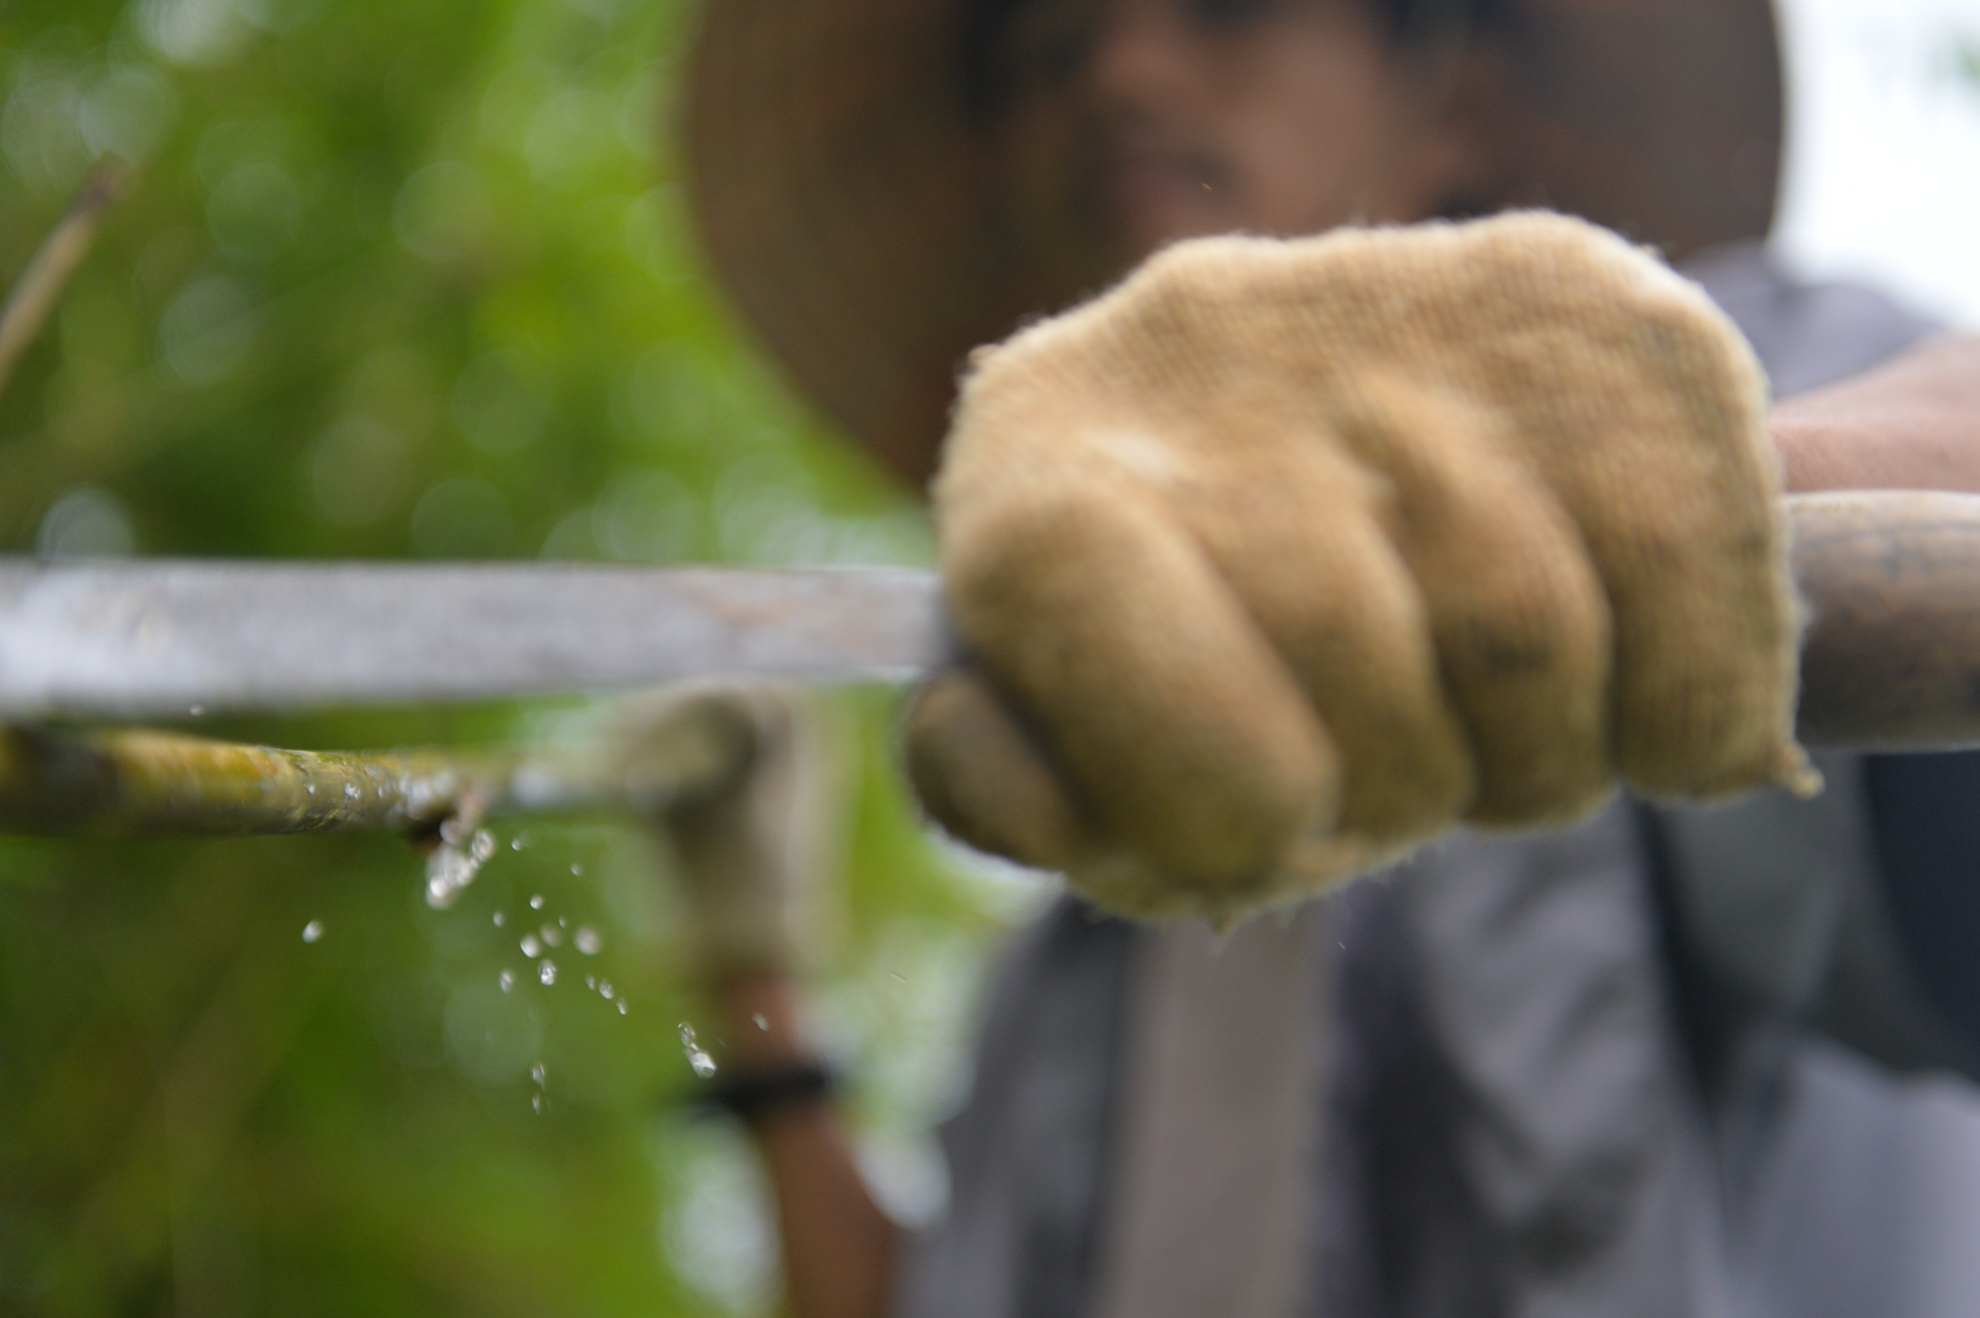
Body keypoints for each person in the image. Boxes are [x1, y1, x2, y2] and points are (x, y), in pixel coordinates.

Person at [658, 1, 1980, 1315]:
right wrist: (754, 972)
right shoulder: (1079, 939)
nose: (1118, 69)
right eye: (1050, 53)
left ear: (1450, 99)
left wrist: (1655, 498)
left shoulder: (1726, 377)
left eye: (1226, 5)